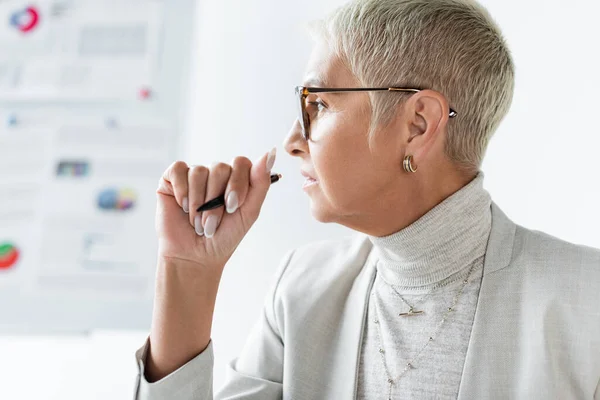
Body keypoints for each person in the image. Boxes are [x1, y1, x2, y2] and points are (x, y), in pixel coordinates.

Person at [133, 0, 600, 399]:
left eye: (317, 104)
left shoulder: (587, 301)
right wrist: (187, 272)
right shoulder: (302, 291)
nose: (293, 140)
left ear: (418, 123)